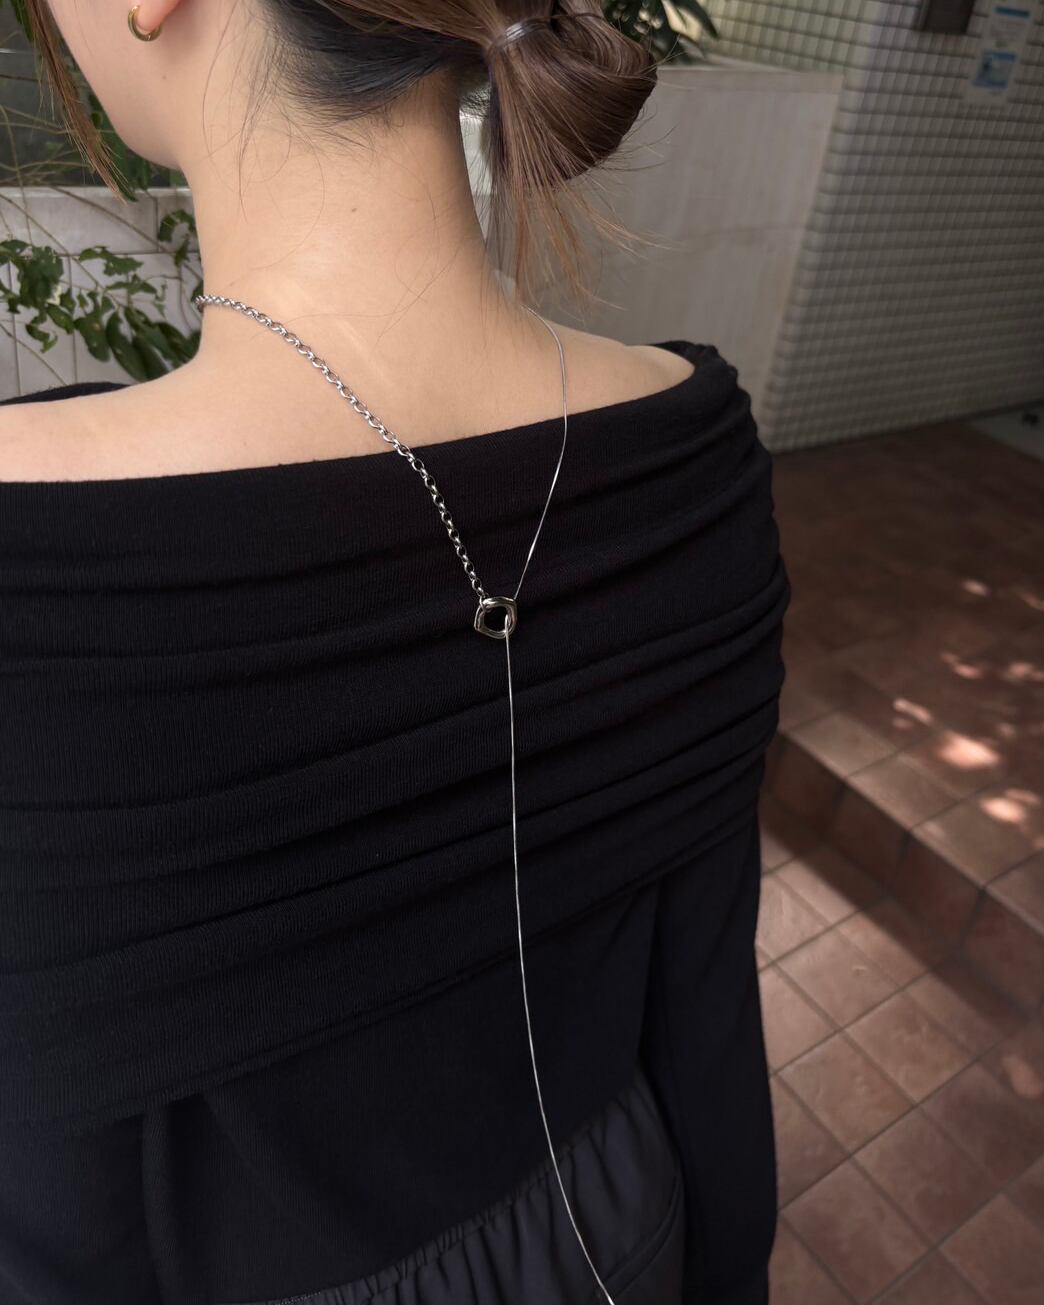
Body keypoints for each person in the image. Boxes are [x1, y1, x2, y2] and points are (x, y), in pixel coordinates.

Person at [0, 2, 789, 1303]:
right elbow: (712, 1030)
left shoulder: (38, 563)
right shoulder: (697, 448)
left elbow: (54, 1232)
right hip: (628, 1239)